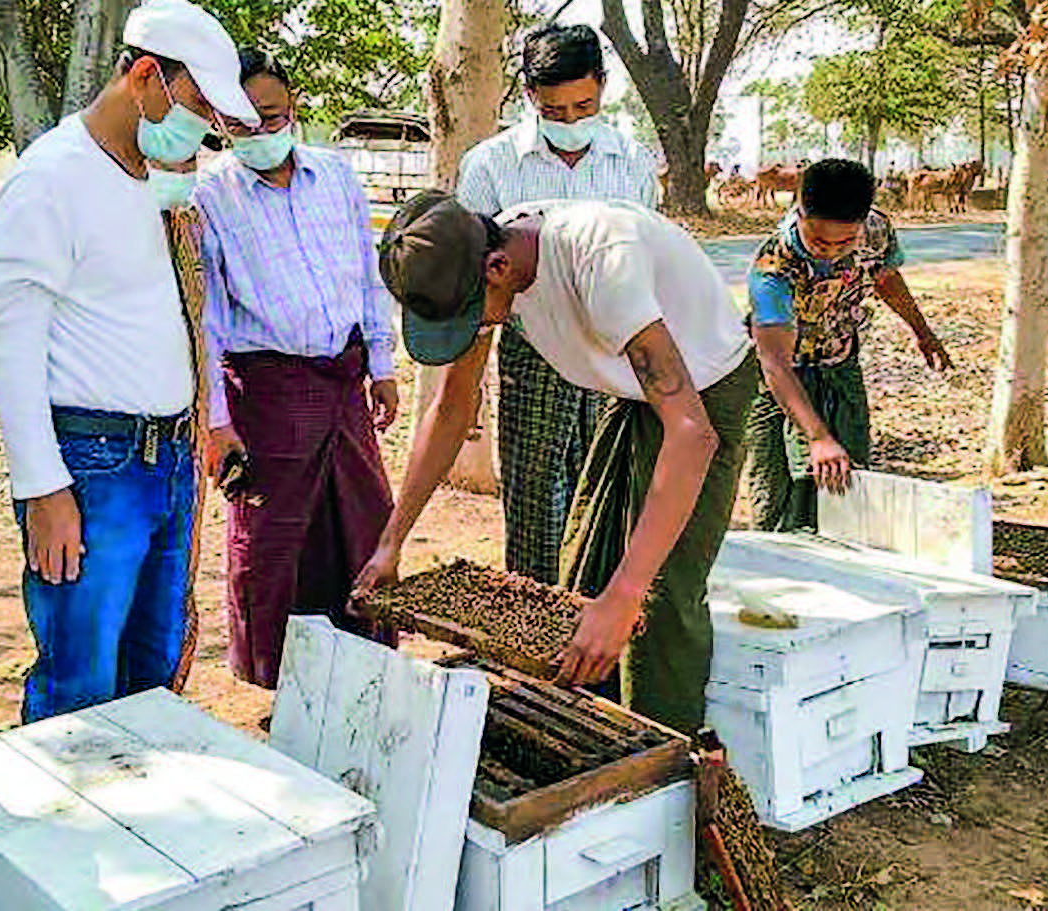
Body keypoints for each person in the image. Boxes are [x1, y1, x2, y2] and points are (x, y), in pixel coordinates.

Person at [356, 194, 756, 735]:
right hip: (636, 394)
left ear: (498, 268)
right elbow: (452, 407)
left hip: (707, 392)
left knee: (657, 596)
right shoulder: (481, 253)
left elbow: (692, 434)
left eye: (471, 316)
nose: (475, 328)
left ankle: (665, 754)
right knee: (587, 571)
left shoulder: (602, 260)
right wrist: (392, 541)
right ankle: (594, 729)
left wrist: (624, 598)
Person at [0, 0, 256, 723]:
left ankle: (138, 797)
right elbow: (10, 344)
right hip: (93, 467)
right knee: (80, 682)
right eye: (198, 106)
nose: (204, 128)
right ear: (144, 77)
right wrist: (44, 487)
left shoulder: (147, 180)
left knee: (150, 676)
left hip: (166, 462)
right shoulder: (52, 178)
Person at [195, 49, 398, 689]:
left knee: (362, 522)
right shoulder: (208, 197)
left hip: (344, 381)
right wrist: (217, 422)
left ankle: (365, 670)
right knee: (272, 541)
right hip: (268, 393)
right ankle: (277, 680)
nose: (260, 133)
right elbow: (209, 321)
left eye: (272, 116)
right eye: (242, 123)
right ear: (219, 123)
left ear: (295, 106)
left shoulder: (336, 176)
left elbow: (368, 276)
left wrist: (382, 363)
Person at [456, 24, 659, 586]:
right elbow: (475, 286)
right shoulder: (490, 165)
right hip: (533, 358)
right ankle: (537, 618)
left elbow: (646, 266)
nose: (570, 121)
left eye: (583, 106)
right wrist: (468, 385)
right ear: (529, 96)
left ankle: (598, 624)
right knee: (535, 505)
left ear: (603, 86)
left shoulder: (633, 163)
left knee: (608, 503)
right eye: (554, 110)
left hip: (613, 357)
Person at [745, 158, 952, 533]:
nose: (832, 251)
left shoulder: (876, 230)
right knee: (779, 503)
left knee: (847, 490)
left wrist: (923, 331)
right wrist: (818, 437)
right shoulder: (773, 268)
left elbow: (885, 279)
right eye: (819, 241)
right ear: (799, 212)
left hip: (840, 365)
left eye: (845, 241)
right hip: (779, 384)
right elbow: (774, 364)